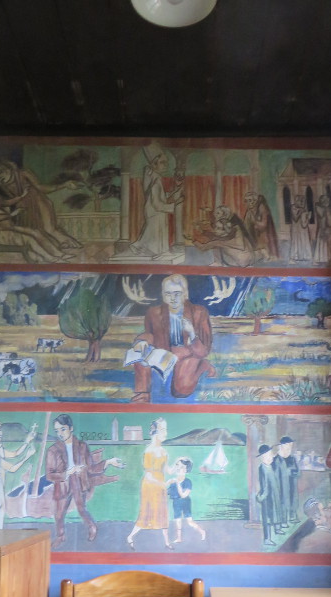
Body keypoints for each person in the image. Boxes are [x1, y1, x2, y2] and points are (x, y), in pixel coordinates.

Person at [130, 273, 215, 402]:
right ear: (163, 295)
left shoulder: (199, 312)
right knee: (141, 351)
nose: (173, 298)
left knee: (181, 391)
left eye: (177, 293)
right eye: (168, 294)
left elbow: (204, 351)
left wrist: (192, 333)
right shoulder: (153, 313)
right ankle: (142, 395)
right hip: (164, 353)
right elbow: (150, 334)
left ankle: (202, 366)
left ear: (185, 294)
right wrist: (142, 341)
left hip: (189, 353)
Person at [45, 414, 125, 547]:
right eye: (57, 431)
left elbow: (91, 468)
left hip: (79, 481)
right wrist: (67, 473)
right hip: (63, 484)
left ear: (71, 428)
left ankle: (92, 527)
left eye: (63, 429)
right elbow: (49, 475)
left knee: (81, 509)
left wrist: (108, 462)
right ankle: (60, 536)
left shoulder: (82, 446)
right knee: (59, 514)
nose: (60, 433)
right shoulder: (53, 450)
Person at [0, 178, 72, 263]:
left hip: (9, 228)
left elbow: (5, 203)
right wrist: (11, 214)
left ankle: (59, 254)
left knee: (36, 232)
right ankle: (51, 259)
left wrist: (21, 196)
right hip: (1, 235)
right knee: (29, 239)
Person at [0, 158, 82, 251]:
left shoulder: (23, 174)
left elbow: (41, 188)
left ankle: (69, 244)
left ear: (9, 168)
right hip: (24, 209)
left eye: (1, 172)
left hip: (38, 202)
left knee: (49, 229)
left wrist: (64, 185)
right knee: (35, 234)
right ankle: (57, 247)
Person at [127, 418, 174, 551]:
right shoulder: (149, 451)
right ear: (155, 432)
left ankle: (167, 542)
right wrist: (162, 484)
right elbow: (148, 475)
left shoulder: (164, 451)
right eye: (163, 430)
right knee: (146, 514)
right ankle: (130, 536)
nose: (165, 433)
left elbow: (168, 470)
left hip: (160, 485)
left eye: (166, 430)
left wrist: (179, 465)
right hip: (150, 486)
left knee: (163, 513)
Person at [129, 143, 184, 258]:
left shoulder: (155, 178)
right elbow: (157, 204)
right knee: (152, 235)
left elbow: (159, 196)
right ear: (154, 164)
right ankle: (146, 250)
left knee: (152, 235)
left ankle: (150, 251)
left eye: (166, 162)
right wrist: (174, 206)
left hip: (154, 212)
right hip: (155, 212)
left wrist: (173, 194)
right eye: (162, 162)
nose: (166, 165)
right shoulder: (156, 181)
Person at [167, 457, 206, 543]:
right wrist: (167, 484)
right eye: (177, 465)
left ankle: (202, 531)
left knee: (189, 521)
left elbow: (183, 495)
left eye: (181, 467)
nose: (178, 468)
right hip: (176, 502)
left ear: (186, 470)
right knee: (177, 520)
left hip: (185, 502)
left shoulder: (188, 482)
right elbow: (167, 492)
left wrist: (177, 483)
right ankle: (179, 538)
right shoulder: (173, 481)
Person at [255, 444, 284, 546]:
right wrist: (261, 497)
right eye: (268, 456)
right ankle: (267, 539)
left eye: (271, 455)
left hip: (274, 495)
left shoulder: (270, 466)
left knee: (276, 513)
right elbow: (265, 485)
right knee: (267, 518)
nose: (271, 457)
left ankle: (277, 528)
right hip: (267, 498)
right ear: (263, 457)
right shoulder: (262, 468)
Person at [243, 191, 279, 261]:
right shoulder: (249, 212)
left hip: (264, 236)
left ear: (255, 201)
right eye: (246, 201)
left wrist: (254, 222)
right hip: (254, 236)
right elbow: (245, 226)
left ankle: (267, 254)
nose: (248, 203)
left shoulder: (262, 208)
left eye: (250, 200)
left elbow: (263, 225)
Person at [273, 435, 300, 525]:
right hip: (281, 485)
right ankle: (283, 520)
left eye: (291, 446)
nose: (290, 448)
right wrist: (287, 472)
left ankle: (292, 516)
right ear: (282, 446)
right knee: (283, 502)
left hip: (292, 484)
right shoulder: (276, 460)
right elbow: (275, 475)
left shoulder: (292, 458)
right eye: (288, 446)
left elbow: (297, 471)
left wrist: (293, 472)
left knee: (293, 500)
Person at [313, 194, 331, 264]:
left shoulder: (330, 209)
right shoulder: (318, 208)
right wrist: (327, 209)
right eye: (323, 199)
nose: (325, 201)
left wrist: (330, 212)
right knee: (322, 244)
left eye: (327, 199)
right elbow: (322, 216)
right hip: (322, 229)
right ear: (320, 201)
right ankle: (321, 259)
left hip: (329, 230)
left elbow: (330, 223)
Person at [289, 194, 312, 262]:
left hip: (303, 228)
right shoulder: (293, 207)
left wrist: (308, 217)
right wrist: (301, 211)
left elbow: (305, 220)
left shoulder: (304, 209)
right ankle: (295, 256)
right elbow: (295, 218)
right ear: (296, 201)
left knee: (304, 240)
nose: (302, 203)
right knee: (296, 241)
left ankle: (305, 256)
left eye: (303, 201)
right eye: (300, 201)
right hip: (296, 228)